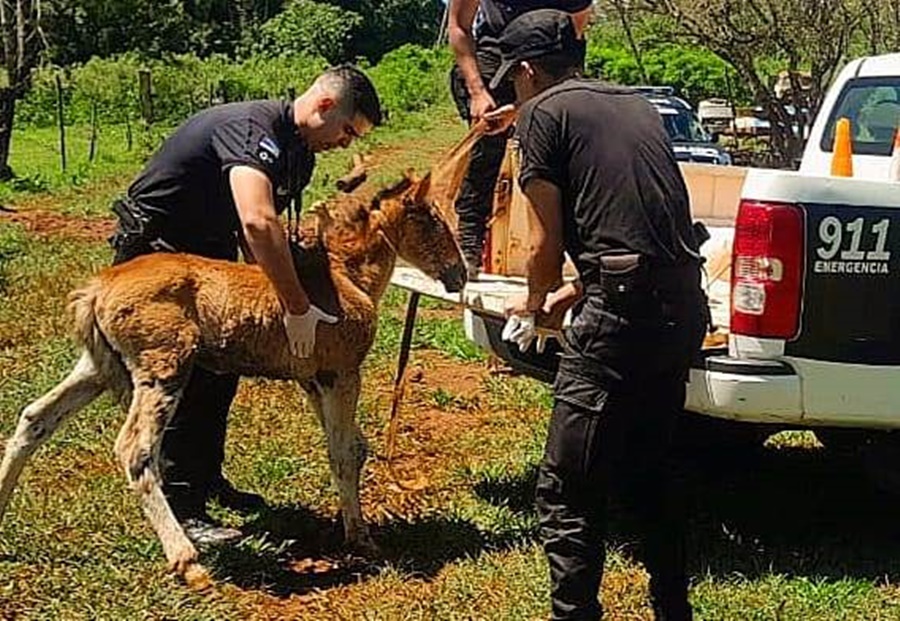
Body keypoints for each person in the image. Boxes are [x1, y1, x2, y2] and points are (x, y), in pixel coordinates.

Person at [491, 10, 708, 620]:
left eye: (514, 77)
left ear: (528, 70)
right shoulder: (636, 105)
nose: (514, 88)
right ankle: (673, 609)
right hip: (680, 306)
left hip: (620, 318)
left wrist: (535, 303)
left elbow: (542, 238)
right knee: (648, 471)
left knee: (566, 493)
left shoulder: (541, 114)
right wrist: (578, 289)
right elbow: (633, 220)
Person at [109, 65, 382, 545]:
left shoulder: (300, 152)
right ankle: (182, 504)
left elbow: (263, 232)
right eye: (346, 131)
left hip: (208, 252)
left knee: (222, 371)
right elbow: (257, 222)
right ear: (323, 106)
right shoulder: (254, 128)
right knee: (184, 375)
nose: (344, 144)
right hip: (160, 251)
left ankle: (206, 479)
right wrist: (296, 306)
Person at [447, 0, 593, 278]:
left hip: (549, 53)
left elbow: (573, 40)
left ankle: (569, 247)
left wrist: (522, 108)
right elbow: (459, 27)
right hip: (496, 54)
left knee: (559, 148)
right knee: (486, 145)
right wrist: (477, 92)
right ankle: (469, 239)